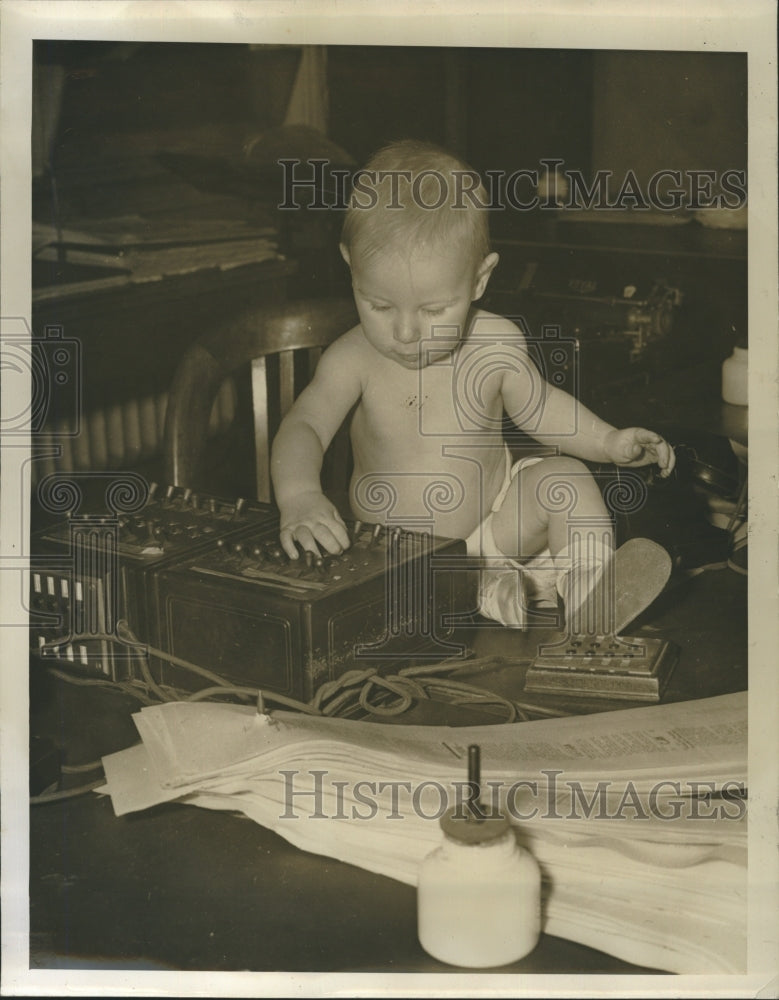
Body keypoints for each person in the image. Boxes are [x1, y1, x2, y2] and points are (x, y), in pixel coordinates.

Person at [270, 140, 675, 629]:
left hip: (495, 524)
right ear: (349, 265)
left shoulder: (496, 343)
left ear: (479, 281)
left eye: (434, 310)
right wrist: (298, 496)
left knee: (564, 478)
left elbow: (543, 408)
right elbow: (305, 426)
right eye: (378, 305)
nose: (404, 333)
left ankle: (588, 583)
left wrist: (609, 441)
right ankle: (490, 588)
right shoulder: (353, 358)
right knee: (431, 587)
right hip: (396, 556)